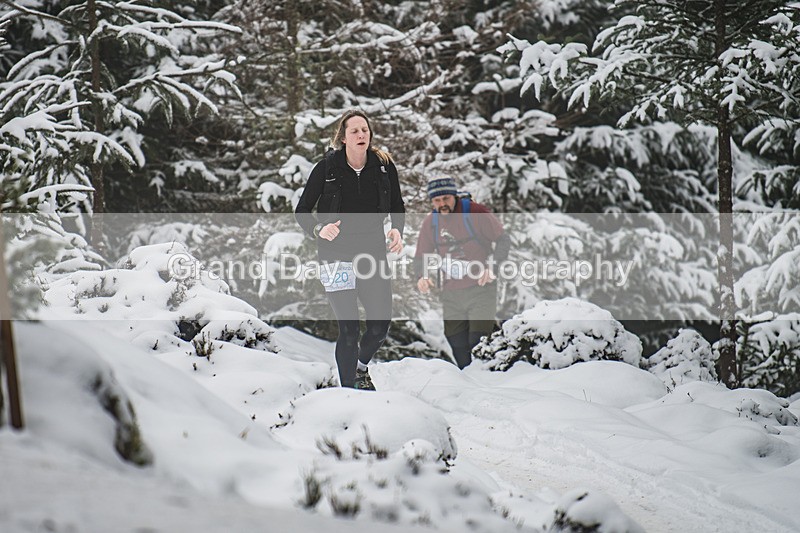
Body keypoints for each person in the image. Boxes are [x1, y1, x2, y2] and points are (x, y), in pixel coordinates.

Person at [295, 110, 405, 390]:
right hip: (335, 255)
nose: (361, 135)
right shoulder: (327, 169)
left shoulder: (383, 166)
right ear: (343, 138)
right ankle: (348, 395)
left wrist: (397, 230)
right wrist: (319, 229)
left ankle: (360, 368)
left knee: (380, 327)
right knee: (349, 329)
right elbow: (302, 211)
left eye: (365, 130)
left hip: (371, 253)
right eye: (354, 131)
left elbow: (397, 204)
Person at [414, 177, 510, 369]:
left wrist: (493, 268)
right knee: (457, 343)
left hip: (481, 287)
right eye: (437, 201)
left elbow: (503, 240)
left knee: (479, 340)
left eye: (446, 199)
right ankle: (470, 382)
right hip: (451, 292)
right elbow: (420, 256)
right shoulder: (431, 223)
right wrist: (421, 276)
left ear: (455, 196)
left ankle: (493, 377)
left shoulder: (475, 213)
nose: (442, 204)